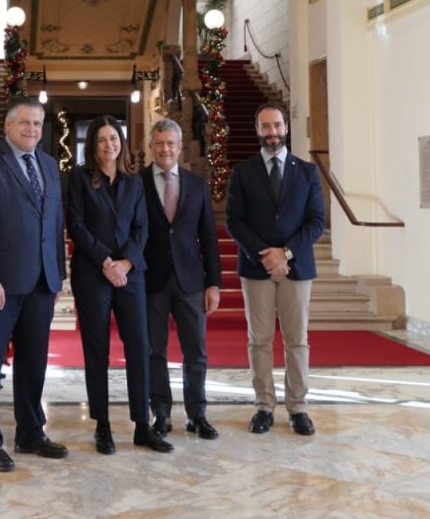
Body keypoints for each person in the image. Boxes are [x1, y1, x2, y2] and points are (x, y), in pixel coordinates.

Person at [0, 97, 68, 472]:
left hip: (41, 282)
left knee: (33, 362)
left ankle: (31, 433)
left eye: (37, 124)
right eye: (24, 123)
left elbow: (54, 224)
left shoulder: (50, 166)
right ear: (7, 126)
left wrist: (58, 276)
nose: (32, 130)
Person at [65, 115, 173, 455]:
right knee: (96, 349)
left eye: (114, 138)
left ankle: (143, 425)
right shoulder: (79, 179)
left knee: (139, 345)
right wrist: (105, 261)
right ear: (92, 145)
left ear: (121, 142)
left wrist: (125, 262)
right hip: (92, 272)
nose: (108, 145)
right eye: (101, 140)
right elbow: (76, 226)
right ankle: (103, 425)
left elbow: (142, 227)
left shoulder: (134, 181)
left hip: (130, 273)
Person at [226, 103, 326, 437]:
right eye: (266, 127)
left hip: (297, 267)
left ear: (286, 128)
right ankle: (263, 406)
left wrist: (285, 252)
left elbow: (316, 221)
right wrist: (264, 254)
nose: (272, 133)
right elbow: (233, 221)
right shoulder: (243, 172)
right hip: (256, 268)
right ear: (258, 130)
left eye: (278, 125)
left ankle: (298, 408)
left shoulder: (308, 172)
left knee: (297, 340)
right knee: (260, 340)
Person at [140, 118, 222, 440]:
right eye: (159, 143)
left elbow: (209, 238)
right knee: (154, 351)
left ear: (179, 147)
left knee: (196, 352)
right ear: (151, 146)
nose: (164, 149)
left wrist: (213, 282)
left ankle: (197, 414)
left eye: (170, 144)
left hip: (190, 281)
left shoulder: (197, 185)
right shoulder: (138, 184)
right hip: (151, 280)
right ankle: (160, 414)